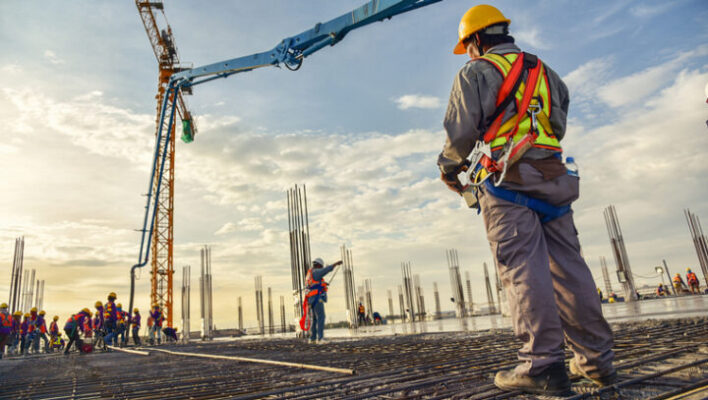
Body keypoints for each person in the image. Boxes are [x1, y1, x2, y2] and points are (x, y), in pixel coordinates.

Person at [438, 5, 615, 395]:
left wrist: (449, 169)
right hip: (553, 178)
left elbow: (461, 132)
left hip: (506, 183)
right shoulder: (547, 73)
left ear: (478, 39)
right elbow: (557, 124)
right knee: (570, 270)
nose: (468, 53)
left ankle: (543, 365)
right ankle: (597, 362)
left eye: (468, 45)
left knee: (522, 270)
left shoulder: (476, 72)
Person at [304, 258, 342, 343]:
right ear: (318, 265)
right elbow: (325, 270)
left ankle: (313, 338)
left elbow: (314, 284)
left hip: (311, 299)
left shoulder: (310, 274)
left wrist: (323, 284)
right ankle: (320, 338)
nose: (321, 268)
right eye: (321, 267)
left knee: (314, 319)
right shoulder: (316, 272)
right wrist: (335, 264)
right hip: (317, 298)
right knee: (321, 317)